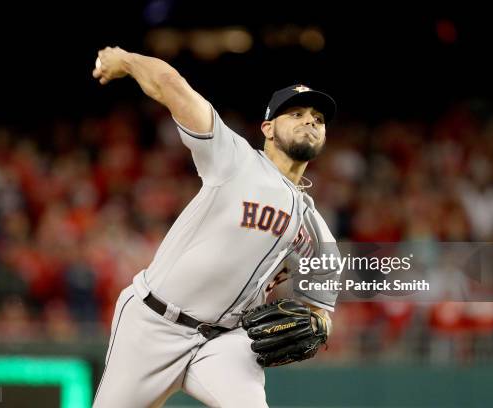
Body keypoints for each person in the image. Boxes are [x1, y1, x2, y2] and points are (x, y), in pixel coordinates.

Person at [92, 46, 339, 408]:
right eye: (297, 113)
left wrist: (318, 329)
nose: (310, 121)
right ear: (267, 128)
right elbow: (171, 85)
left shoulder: (318, 233)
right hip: (153, 322)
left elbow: (321, 313)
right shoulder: (234, 158)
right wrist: (126, 60)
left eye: (318, 118)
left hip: (226, 344)